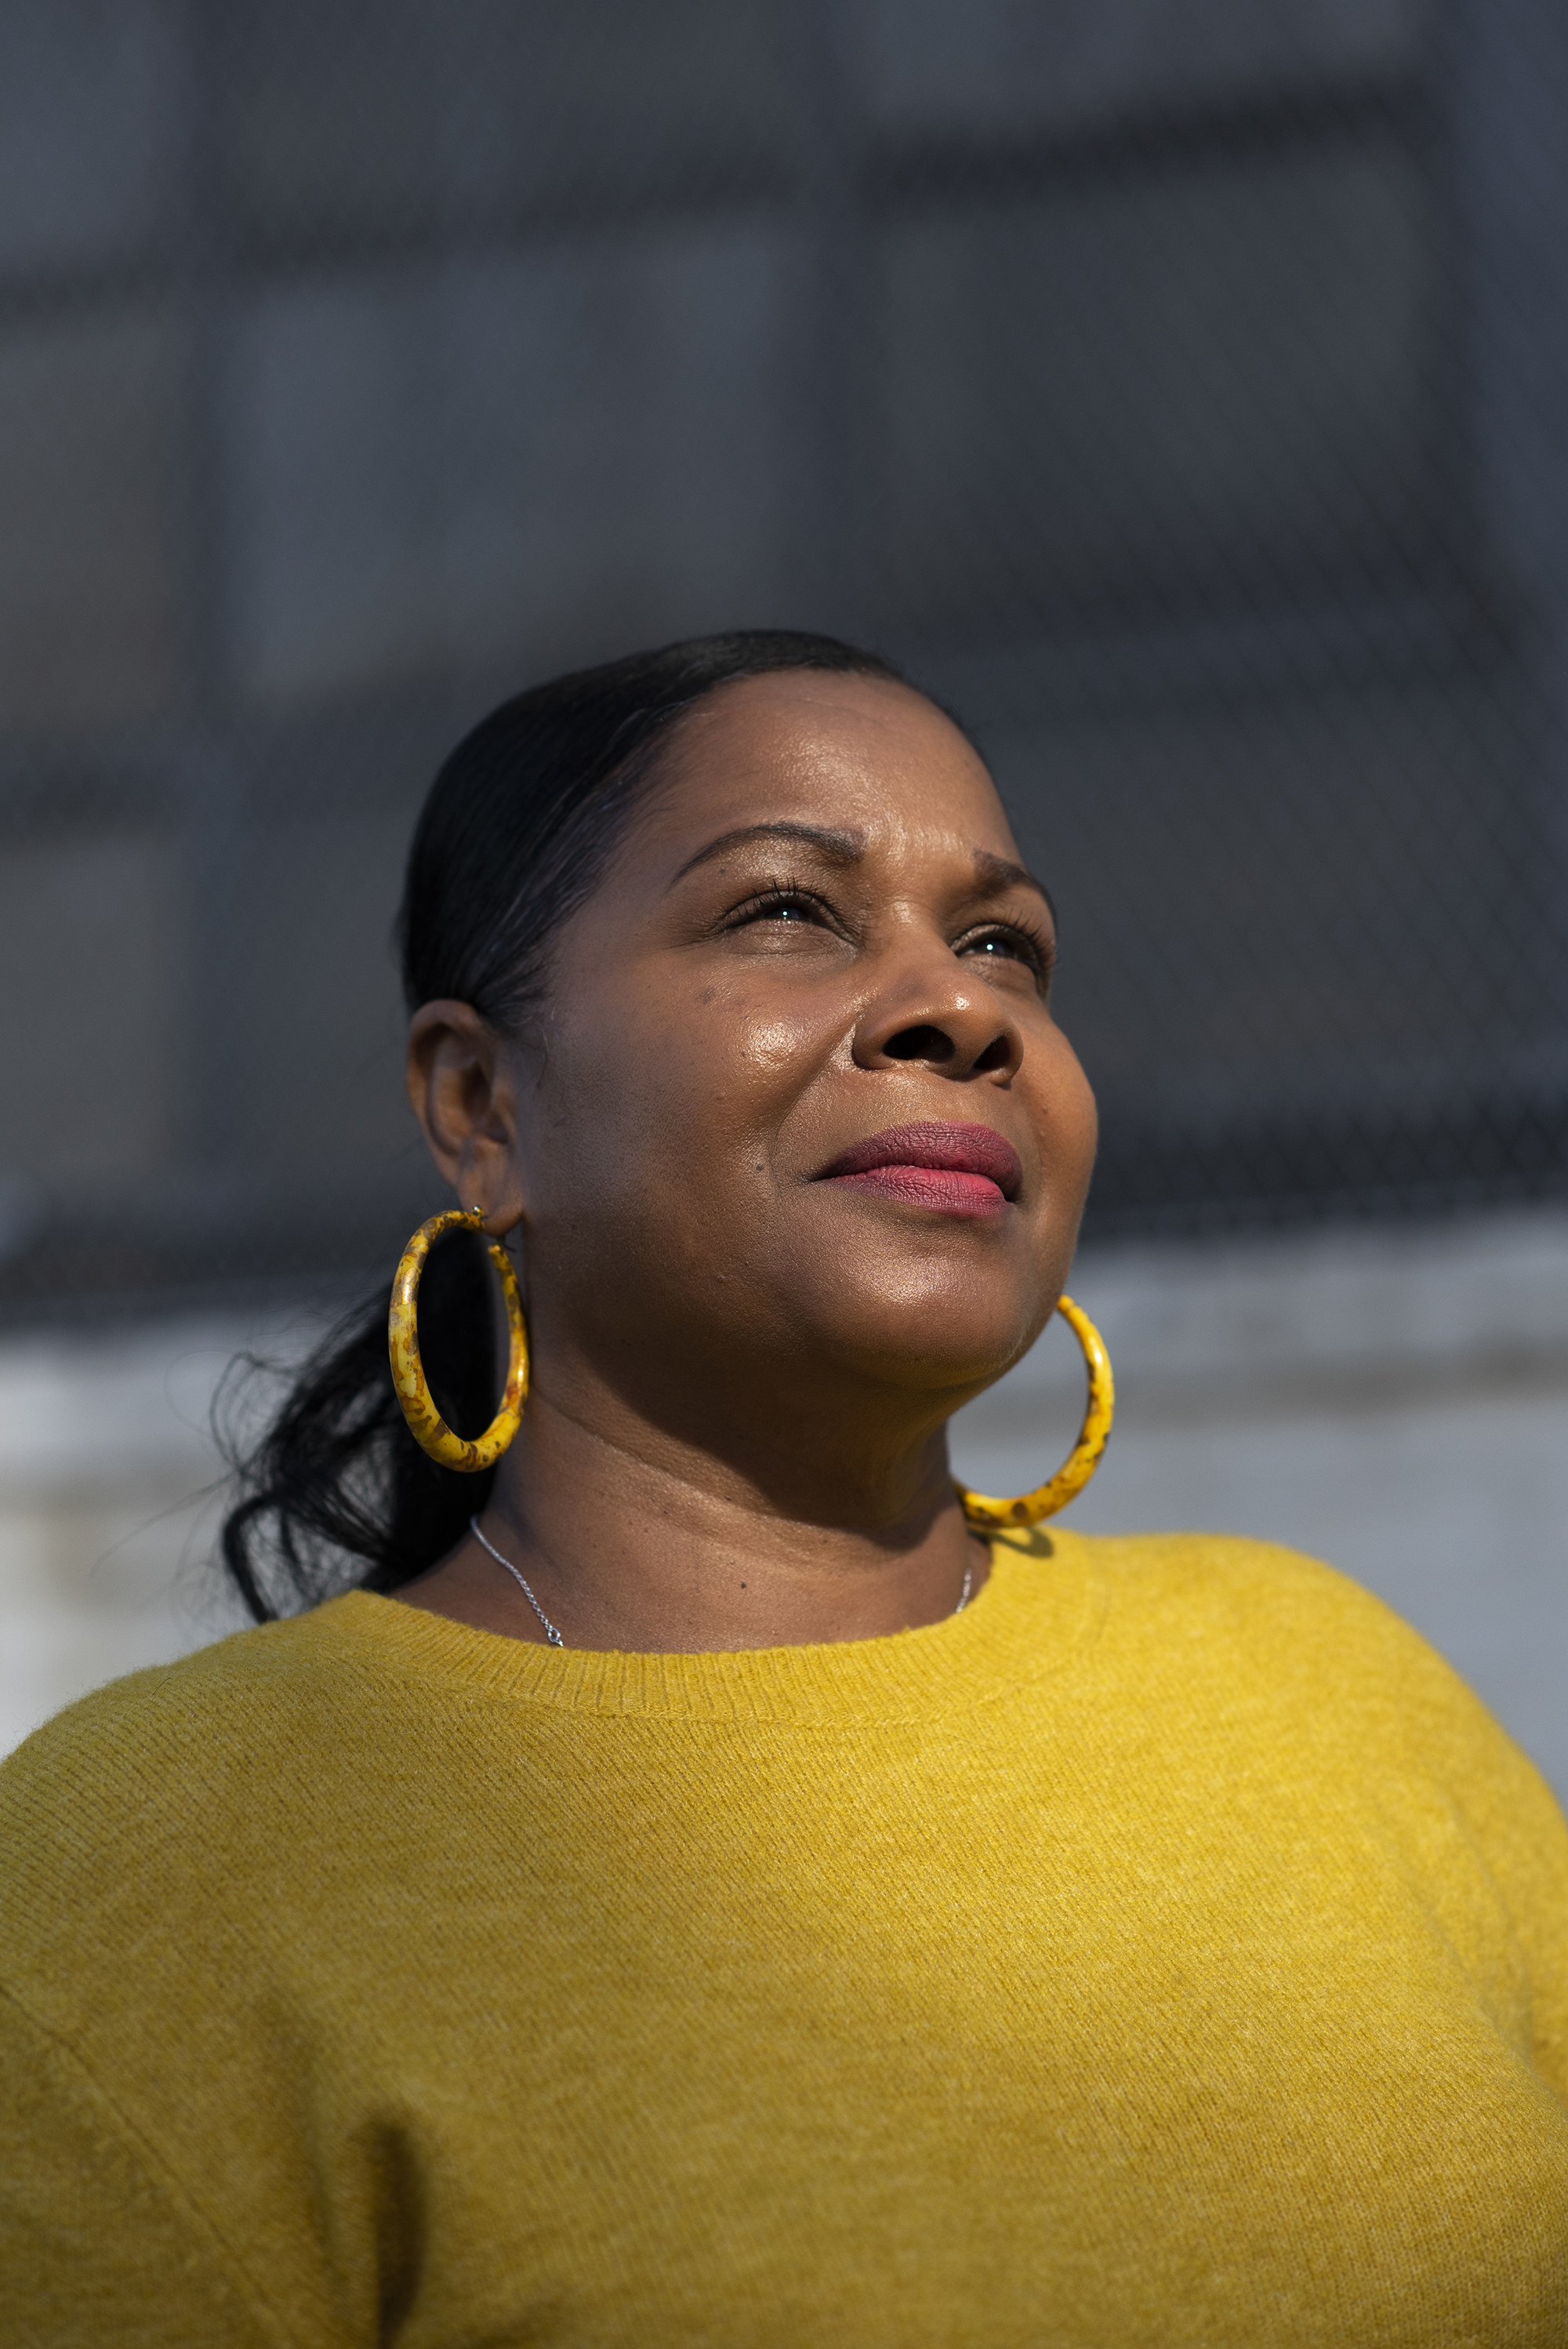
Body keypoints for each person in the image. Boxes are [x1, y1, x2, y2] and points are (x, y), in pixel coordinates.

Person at [2, 630, 1565, 2345]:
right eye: (783, 911)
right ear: (481, 1104)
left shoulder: (1329, 1682)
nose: (961, 1006)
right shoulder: (143, 1875)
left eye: (1004, 946)